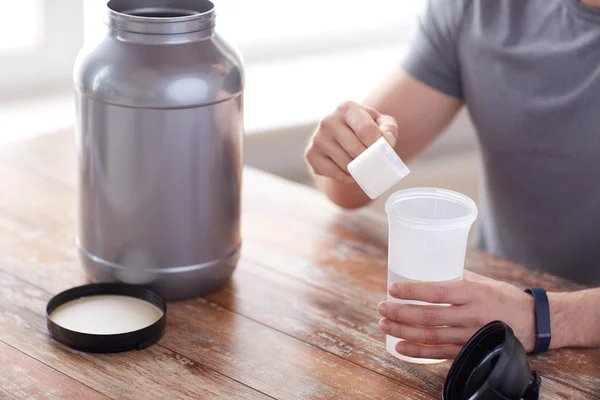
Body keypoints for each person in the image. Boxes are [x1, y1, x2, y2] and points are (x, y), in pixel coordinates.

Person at [305, 0, 600, 360]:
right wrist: (344, 147)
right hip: (492, 325)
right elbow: (346, 190)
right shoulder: (479, 9)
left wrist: (538, 316)